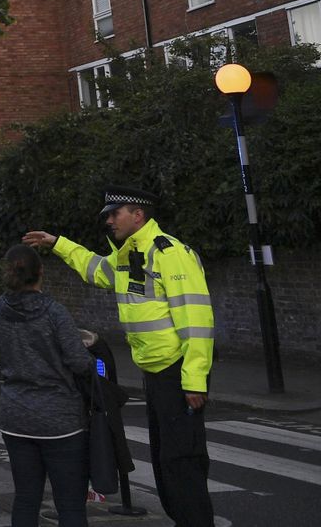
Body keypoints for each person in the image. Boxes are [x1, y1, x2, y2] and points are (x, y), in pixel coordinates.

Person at [25, 185, 215, 527]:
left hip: (178, 373)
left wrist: (195, 381)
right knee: (165, 461)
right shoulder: (128, 255)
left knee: (182, 461)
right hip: (156, 374)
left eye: (115, 213)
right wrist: (58, 244)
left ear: (138, 215)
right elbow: (95, 269)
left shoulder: (170, 254)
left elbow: (196, 320)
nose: (109, 220)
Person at [0, 243, 94, 527]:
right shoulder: (54, 312)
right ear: (41, 272)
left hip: (15, 416)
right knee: (70, 504)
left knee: (25, 498)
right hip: (60, 420)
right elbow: (78, 361)